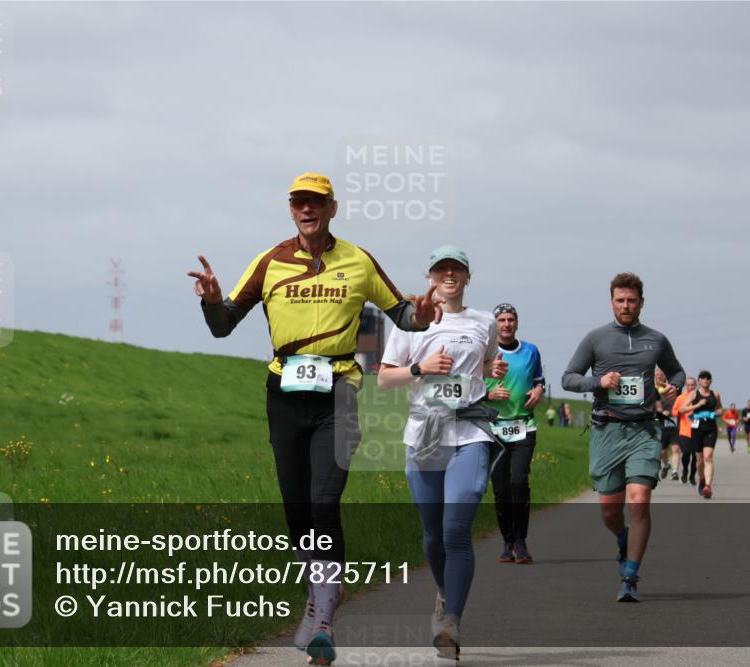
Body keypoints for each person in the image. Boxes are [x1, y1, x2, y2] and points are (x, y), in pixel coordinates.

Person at [189, 172, 442, 665]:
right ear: (291, 210)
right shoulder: (270, 262)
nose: (307, 210)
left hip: (339, 392)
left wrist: (425, 313)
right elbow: (223, 328)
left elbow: (405, 316)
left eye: (316, 202)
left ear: (332, 207)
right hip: (284, 394)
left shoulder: (358, 260)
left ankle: (323, 616)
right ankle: (320, 593)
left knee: (325, 501)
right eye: (299, 203)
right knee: (297, 512)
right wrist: (211, 300)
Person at [378, 245, 506, 661]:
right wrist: (421, 369)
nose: (449, 275)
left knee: (455, 530)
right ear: (430, 276)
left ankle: (451, 622)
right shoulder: (411, 320)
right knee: (433, 536)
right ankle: (442, 592)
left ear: (467, 277)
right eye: (441, 269)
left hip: (470, 431)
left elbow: (484, 363)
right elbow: (384, 380)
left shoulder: (484, 321)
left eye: (457, 269)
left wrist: (491, 372)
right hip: (426, 431)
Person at [562, 272, 684, 603]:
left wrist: (675, 386)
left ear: (641, 302)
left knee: (639, 498)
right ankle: (622, 540)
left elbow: (677, 371)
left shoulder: (656, 340)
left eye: (631, 300)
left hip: (644, 429)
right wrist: (597, 383)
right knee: (610, 512)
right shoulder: (595, 339)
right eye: (620, 300)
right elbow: (568, 379)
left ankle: (630, 576)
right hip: (607, 430)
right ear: (611, 302)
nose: (626, 305)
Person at [484, 303, 545, 565]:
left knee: (519, 482)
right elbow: (469, 386)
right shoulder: (484, 352)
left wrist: (539, 390)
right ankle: (507, 541)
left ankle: (521, 541)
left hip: (524, 426)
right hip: (494, 429)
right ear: (495, 324)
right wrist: (489, 394)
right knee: (500, 489)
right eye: (501, 320)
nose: (507, 324)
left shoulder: (530, 351)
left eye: (511, 319)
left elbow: (539, 379)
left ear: (517, 323)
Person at [679, 371, 723, 498]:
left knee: (708, 457)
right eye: (703, 378)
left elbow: (720, 409)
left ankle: (708, 486)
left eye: (708, 378)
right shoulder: (694, 394)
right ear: (699, 381)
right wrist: (698, 405)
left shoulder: (715, 394)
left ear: (711, 381)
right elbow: (682, 409)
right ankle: (702, 479)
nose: (705, 380)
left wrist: (716, 413)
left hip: (710, 428)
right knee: (699, 460)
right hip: (697, 429)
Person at [654, 368, 681, 480]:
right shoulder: (651, 390)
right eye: (658, 374)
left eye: (662, 374)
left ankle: (674, 471)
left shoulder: (672, 390)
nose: (660, 376)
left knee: (676, 449)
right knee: (662, 451)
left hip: (674, 423)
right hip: (660, 424)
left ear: (666, 377)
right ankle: (665, 465)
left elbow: (680, 403)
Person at [672, 377, 699, 486]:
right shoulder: (681, 398)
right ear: (685, 386)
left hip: (697, 431)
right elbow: (673, 411)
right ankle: (684, 471)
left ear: (696, 386)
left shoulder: (699, 398)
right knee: (686, 453)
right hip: (684, 430)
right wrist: (680, 412)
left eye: (692, 385)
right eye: (688, 385)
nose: (690, 387)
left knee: (695, 456)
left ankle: (692, 476)